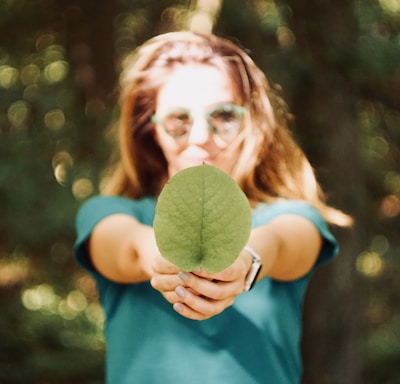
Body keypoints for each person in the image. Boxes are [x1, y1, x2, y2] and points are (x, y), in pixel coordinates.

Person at [74, 31, 351, 384]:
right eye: (179, 119)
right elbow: (126, 246)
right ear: (152, 130)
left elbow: (281, 244)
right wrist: (161, 257)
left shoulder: (292, 216)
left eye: (223, 115)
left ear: (250, 121)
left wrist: (245, 261)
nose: (201, 136)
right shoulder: (108, 213)